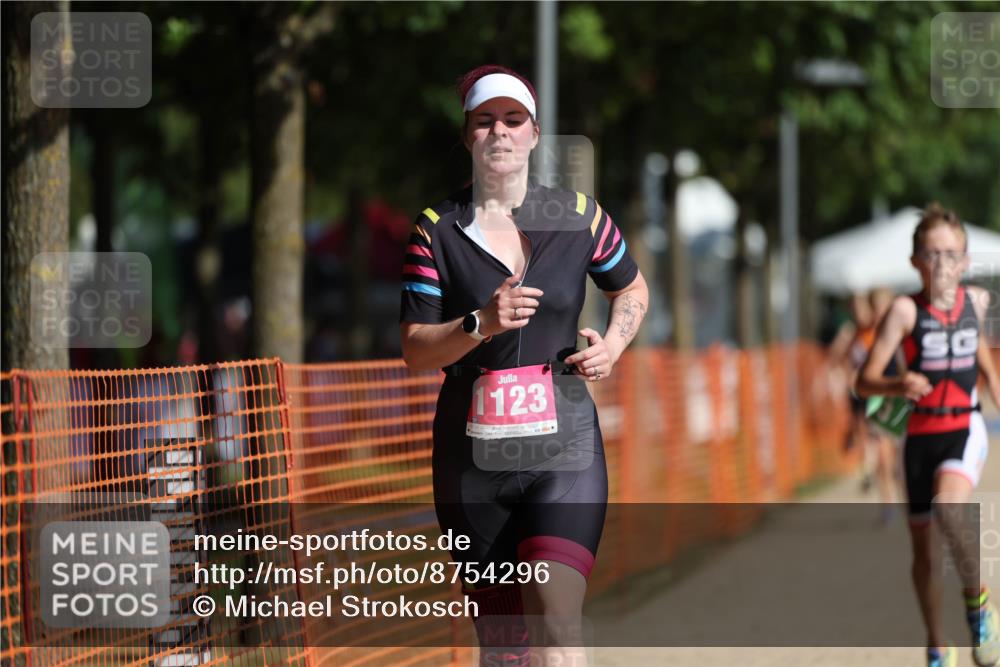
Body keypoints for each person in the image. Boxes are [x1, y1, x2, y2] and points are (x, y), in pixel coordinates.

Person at [399, 64, 649, 666]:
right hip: (472, 459)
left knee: (558, 615)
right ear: (467, 137)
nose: (500, 134)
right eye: (485, 123)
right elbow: (413, 348)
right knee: (504, 646)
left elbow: (632, 289)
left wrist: (613, 345)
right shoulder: (435, 232)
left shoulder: (581, 217)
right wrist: (478, 323)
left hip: (565, 447)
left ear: (535, 134)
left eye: (513, 121)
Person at [856, 203, 1000, 667]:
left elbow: (983, 360)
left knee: (950, 508)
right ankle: (938, 644)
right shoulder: (902, 310)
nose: (942, 264)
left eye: (951, 254)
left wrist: (997, 395)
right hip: (918, 438)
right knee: (922, 554)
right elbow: (864, 381)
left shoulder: (976, 303)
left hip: (963, 425)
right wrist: (898, 384)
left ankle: (978, 606)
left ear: (964, 260)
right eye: (932, 254)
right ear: (916, 261)